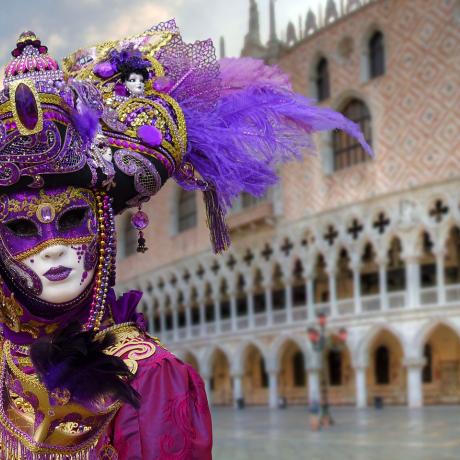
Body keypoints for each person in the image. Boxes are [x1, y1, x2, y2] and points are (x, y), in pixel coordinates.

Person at [0, 21, 371, 459]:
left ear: (102, 221)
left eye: (73, 218)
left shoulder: (150, 377)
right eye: (22, 228)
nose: (54, 246)